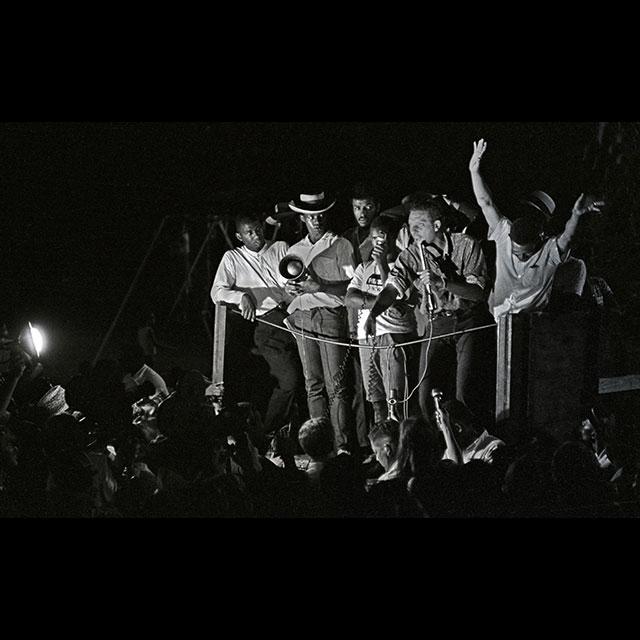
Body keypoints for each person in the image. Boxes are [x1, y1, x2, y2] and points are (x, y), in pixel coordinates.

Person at [365, 194, 494, 422]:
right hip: (438, 323)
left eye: (420, 225)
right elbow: (393, 287)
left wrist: (443, 283)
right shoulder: (413, 253)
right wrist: (374, 314)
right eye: (411, 225)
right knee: (426, 394)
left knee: (465, 393)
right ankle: (439, 445)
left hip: (468, 320)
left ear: (437, 225)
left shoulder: (466, 245)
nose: (413, 231)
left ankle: (469, 446)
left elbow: (478, 293)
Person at [468, 138, 604, 320]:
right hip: (502, 320)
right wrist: (474, 172)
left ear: (539, 239)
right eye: (517, 253)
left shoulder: (550, 250)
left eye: (526, 254)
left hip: (534, 326)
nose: (520, 257)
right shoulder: (503, 233)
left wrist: (576, 215)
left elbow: (568, 237)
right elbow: (486, 203)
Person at [210, 211, 302, 440]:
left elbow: (292, 275)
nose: (256, 235)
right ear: (240, 236)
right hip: (266, 323)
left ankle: (298, 433)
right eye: (249, 232)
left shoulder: (279, 247)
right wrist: (240, 296)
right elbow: (217, 291)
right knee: (289, 379)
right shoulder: (233, 258)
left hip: (292, 314)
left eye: (258, 229)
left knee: (309, 376)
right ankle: (269, 431)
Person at [284, 191, 356, 454]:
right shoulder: (295, 250)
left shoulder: (341, 245)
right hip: (304, 316)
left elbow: (353, 287)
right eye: (311, 216)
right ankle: (319, 448)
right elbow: (289, 286)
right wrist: (291, 290)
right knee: (313, 385)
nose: (316, 219)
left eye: (320, 214)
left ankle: (343, 447)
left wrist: (321, 285)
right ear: (302, 217)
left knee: (336, 386)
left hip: (330, 315)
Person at [345, 215, 417, 424]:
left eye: (383, 240)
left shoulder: (404, 265)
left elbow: (394, 294)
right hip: (367, 338)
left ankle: (402, 446)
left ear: (394, 239)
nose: (379, 244)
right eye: (375, 239)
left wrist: (383, 264)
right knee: (376, 399)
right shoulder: (364, 267)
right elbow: (350, 298)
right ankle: (382, 446)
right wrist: (380, 302)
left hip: (393, 335)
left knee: (396, 398)